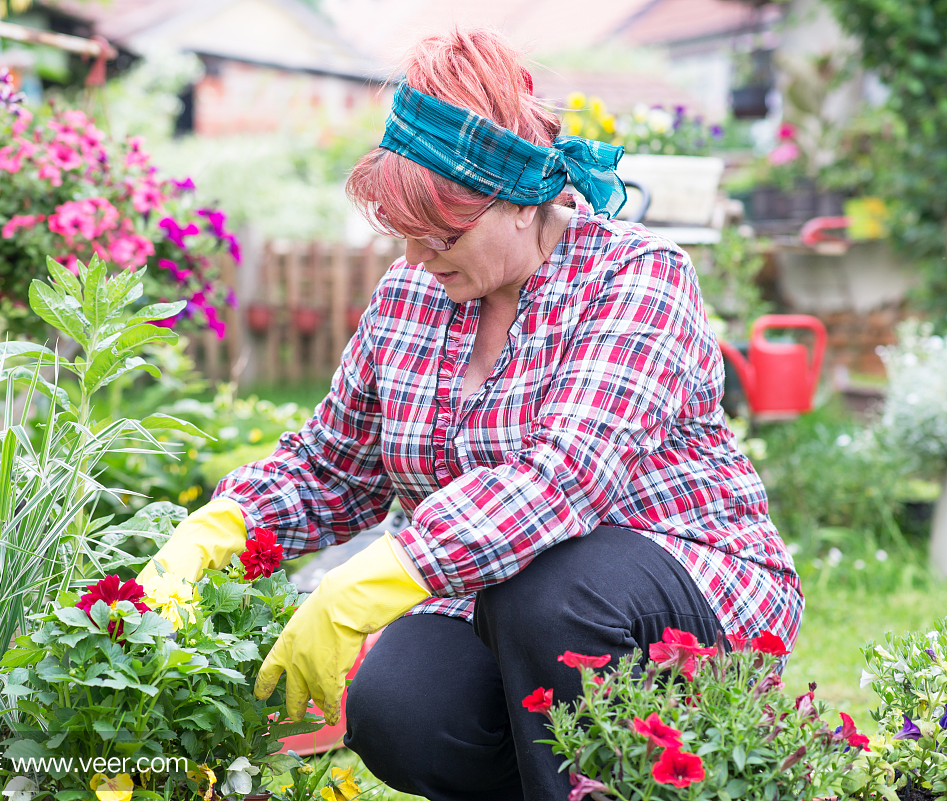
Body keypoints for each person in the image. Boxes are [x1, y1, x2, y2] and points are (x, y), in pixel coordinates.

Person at [138, 28, 802, 801]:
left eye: (442, 234)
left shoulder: (639, 279)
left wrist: (373, 579)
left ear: (522, 200)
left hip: (684, 588)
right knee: (400, 708)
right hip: (492, 602)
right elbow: (332, 467)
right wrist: (222, 529)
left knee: (552, 587)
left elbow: (562, 481)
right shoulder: (410, 295)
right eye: (404, 235)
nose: (418, 257)